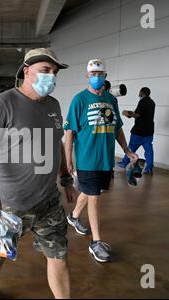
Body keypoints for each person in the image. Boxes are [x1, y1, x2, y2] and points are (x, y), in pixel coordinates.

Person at [0, 48, 76, 299]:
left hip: (48, 201)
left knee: (59, 255)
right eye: (45, 71)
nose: (51, 77)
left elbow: (56, 144)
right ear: (26, 71)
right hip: (9, 202)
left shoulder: (54, 105)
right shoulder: (3, 102)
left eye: (54, 73)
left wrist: (65, 179)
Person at [64, 59, 138, 263]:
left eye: (100, 73)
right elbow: (69, 132)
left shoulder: (111, 100)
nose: (97, 77)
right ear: (87, 76)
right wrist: (68, 158)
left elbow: (117, 128)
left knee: (90, 193)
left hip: (106, 159)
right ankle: (96, 242)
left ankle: (73, 217)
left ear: (105, 76)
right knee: (94, 197)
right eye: (93, 74)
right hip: (87, 159)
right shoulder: (79, 100)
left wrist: (127, 150)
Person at [117, 87, 155, 174]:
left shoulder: (142, 101)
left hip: (139, 131)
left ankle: (124, 162)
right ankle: (149, 168)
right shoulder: (152, 102)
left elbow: (137, 114)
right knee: (149, 150)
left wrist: (127, 113)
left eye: (139, 93)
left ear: (142, 93)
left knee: (131, 148)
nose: (139, 95)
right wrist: (131, 112)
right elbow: (140, 112)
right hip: (149, 132)